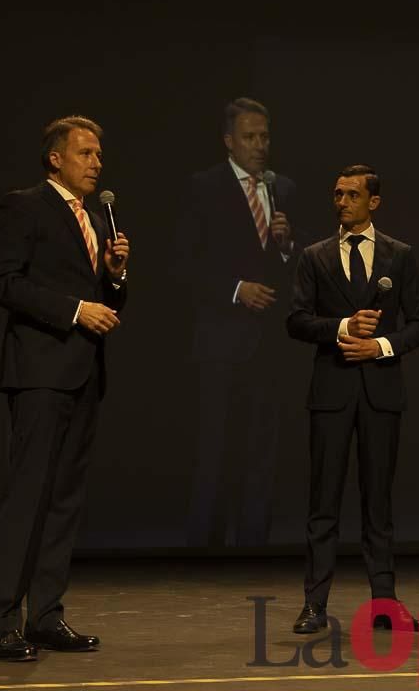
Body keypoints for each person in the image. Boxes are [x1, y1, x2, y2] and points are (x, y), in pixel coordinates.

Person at [0, 115, 130, 661]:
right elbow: (3, 282)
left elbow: (105, 306)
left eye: (98, 154)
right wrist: (75, 309)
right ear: (56, 159)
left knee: (65, 501)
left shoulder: (95, 217)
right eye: (86, 153)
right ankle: (0, 622)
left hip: (84, 374)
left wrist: (113, 277)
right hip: (40, 373)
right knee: (28, 498)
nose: (97, 163)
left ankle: (45, 616)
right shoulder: (25, 205)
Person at [286, 164, 419, 635]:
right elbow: (297, 320)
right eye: (337, 194)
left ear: (374, 201)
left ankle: (384, 602)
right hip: (331, 393)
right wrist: (343, 328)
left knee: (378, 504)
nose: (342, 201)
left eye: (351, 194)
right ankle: (314, 603)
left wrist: (381, 346)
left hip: (381, 393)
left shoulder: (400, 255)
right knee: (323, 503)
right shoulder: (314, 256)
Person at [178, 98, 300, 547]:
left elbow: (293, 268)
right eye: (249, 137)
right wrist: (236, 289)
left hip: (267, 343)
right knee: (215, 448)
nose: (260, 145)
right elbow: (185, 264)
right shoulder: (203, 187)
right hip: (220, 340)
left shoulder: (282, 188)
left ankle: (254, 544)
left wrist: (287, 246)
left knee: (262, 451)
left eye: (265, 136)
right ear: (229, 141)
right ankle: (204, 546)